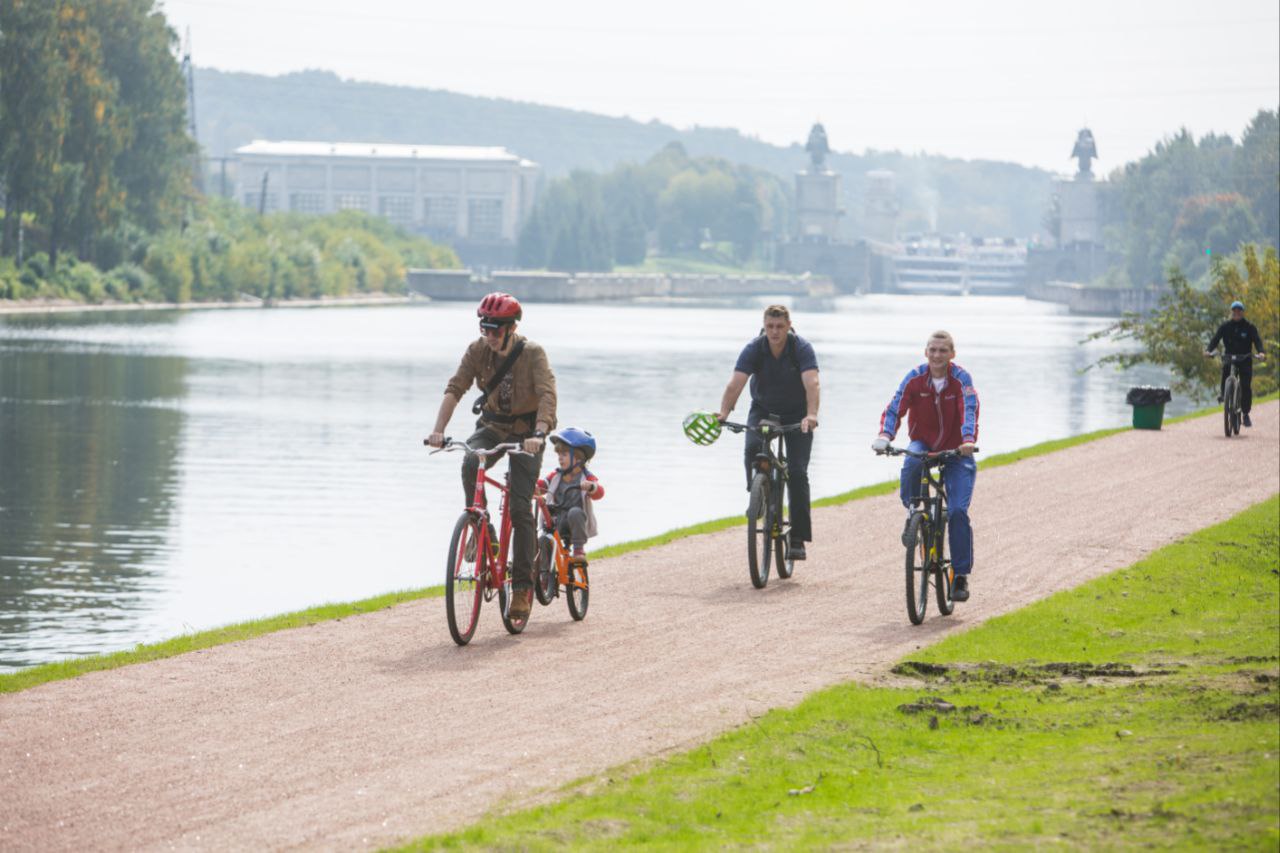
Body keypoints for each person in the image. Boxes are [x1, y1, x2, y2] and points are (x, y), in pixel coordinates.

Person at [427, 293, 557, 622]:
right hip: (491, 426)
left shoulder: (532, 353)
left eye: (496, 329)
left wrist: (539, 433)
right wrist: (438, 431)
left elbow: (547, 394)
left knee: (519, 506)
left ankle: (523, 588)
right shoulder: (476, 350)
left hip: (527, 432)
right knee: (471, 460)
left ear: (512, 328)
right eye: (485, 328)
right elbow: (455, 388)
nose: (490, 335)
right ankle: (479, 525)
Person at [872, 330, 979, 601]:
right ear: (925, 352)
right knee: (910, 464)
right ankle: (913, 515)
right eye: (932, 350)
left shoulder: (961, 379)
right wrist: (885, 436)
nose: (937, 355)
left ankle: (961, 575)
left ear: (952, 354)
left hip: (957, 450)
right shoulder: (915, 378)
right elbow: (896, 406)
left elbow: (970, 409)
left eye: (943, 350)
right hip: (923, 443)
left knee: (956, 511)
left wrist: (968, 440)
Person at [716, 304, 820, 560]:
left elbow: (812, 383)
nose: (774, 331)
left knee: (797, 472)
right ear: (764, 326)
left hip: (798, 415)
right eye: (770, 326)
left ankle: (797, 538)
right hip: (763, 410)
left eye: (779, 326)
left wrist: (812, 415)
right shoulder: (754, 348)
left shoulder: (801, 348)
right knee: (752, 449)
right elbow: (736, 383)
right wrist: (724, 413)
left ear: (788, 326)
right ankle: (758, 495)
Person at [535, 427, 605, 566]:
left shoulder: (586, 477)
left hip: (575, 523)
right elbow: (542, 485)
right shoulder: (556, 475)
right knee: (542, 540)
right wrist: (533, 486)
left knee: (575, 512)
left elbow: (599, 492)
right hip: (556, 521)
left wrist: (591, 487)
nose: (560, 458)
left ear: (578, 457)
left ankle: (578, 550)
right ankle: (544, 572)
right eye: (559, 454)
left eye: (564, 454)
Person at [1205, 300, 1265, 428]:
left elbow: (1257, 341)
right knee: (1225, 371)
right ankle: (1224, 394)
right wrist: (1208, 350)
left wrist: (1261, 352)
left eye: (1239, 311)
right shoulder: (1225, 326)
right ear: (1232, 312)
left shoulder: (1249, 327)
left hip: (1245, 359)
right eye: (1234, 311)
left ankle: (1245, 414)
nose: (1237, 313)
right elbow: (1215, 339)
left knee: (1245, 385)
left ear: (1242, 312)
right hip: (1230, 357)